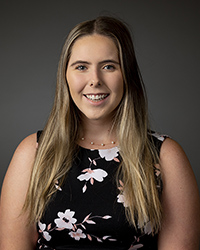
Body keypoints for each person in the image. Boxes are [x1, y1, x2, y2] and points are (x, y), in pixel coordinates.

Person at [0, 16, 199, 250]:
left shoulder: (165, 156)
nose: (95, 80)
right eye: (81, 67)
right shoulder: (33, 152)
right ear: (65, 75)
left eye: (108, 66)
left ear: (127, 75)